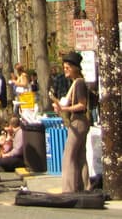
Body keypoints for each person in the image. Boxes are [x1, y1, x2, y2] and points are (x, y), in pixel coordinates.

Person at [52, 51, 89, 192]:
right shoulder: (75, 83)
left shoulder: (79, 83)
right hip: (79, 121)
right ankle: (84, 186)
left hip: (78, 121)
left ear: (75, 68)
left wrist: (65, 108)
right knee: (80, 156)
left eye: (67, 67)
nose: (65, 70)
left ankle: (69, 188)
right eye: (64, 67)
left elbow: (82, 104)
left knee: (69, 155)